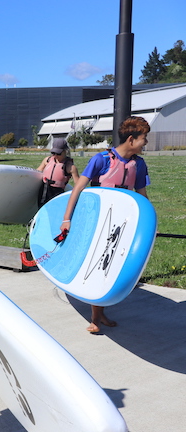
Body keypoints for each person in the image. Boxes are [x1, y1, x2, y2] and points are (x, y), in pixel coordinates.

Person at [60, 116, 151, 334]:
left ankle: (99, 314)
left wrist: (149, 225)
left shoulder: (138, 164)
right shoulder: (101, 160)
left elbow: (143, 197)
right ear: (131, 139)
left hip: (123, 224)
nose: (145, 142)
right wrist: (67, 219)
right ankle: (95, 318)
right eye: (144, 138)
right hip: (98, 222)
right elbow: (77, 189)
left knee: (111, 268)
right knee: (98, 267)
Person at [37, 138, 78, 207]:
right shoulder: (47, 160)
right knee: (42, 209)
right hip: (44, 189)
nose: (55, 156)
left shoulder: (70, 167)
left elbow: (78, 184)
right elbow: (37, 171)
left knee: (54, 210)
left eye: (58, 153)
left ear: (65, 151)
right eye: (53, 153)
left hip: (57, 192)